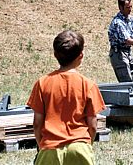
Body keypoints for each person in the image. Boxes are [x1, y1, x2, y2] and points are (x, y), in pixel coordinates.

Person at [27, 30, 106, 165]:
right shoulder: (89, 85)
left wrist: (42, 145)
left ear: (55, 54)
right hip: (79, 147)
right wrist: (86, 145)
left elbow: (37, 124)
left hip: (50, 148)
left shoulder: (42, 83)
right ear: (81, 56)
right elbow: (93, 126)